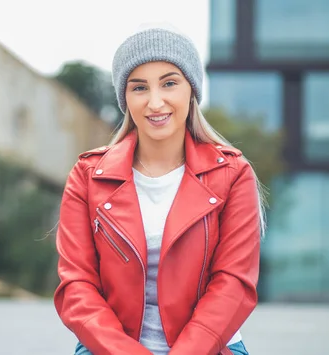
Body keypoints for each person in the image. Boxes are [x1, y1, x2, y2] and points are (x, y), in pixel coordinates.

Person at [53, 24, 264, 355]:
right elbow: (77, 287)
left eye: (169, 83)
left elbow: (233, 284)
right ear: (125, 97)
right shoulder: (87, 177)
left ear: (191, 90)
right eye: (139, 88)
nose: (155, 102)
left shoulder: (234, 175)